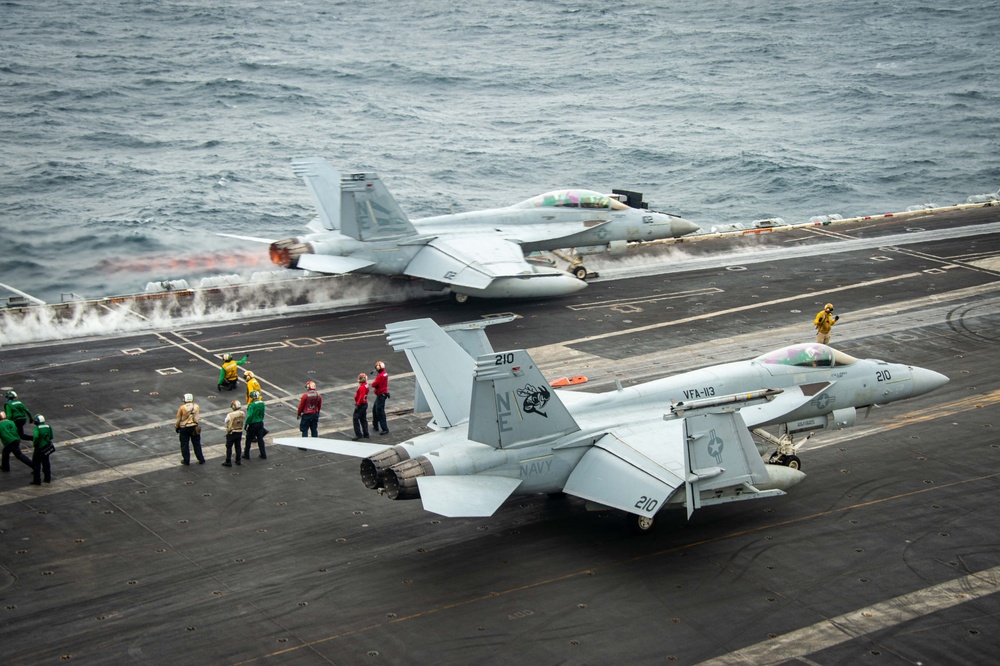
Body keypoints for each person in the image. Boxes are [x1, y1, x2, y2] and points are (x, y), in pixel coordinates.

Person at [175, 393, 205, 465]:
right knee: (197, 443)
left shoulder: (182, 407)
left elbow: (178, 419)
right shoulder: (196, 406)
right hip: (194, 426)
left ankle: (186, 460)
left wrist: (176, 427)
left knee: (184, 444)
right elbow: (196, 417)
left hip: (184, 427)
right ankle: (201, 459)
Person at [30, 414, 54, 485]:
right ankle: (47, 478)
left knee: (36, 464)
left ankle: (37, 480)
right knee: (46, 463)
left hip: (39, 448)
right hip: (46, 447)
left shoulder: (37, 428)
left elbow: (36, 437)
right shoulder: (48, 426)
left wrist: (35, 443)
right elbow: (51, 436)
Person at [243, 390, 267, 460]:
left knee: (249, 439)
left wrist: (246, 423)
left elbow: (249, 415)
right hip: (260, 423)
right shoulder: (262, 403)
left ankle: (246, 454)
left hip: (253, 424)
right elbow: (262, 413)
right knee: (260, 439)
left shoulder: (252, 405)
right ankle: (263, 454)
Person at [222, 400, 245, 467]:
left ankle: (228, 461)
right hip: (239, 431)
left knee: (229, 447)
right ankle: (238, 460)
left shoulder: (230, 414)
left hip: (231, 432)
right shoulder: (242, 413)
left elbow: (226, 421)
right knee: (238, 446)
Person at [371, 360, 390, 435]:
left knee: (380, 412)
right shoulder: (384, 374)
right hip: (383, 394)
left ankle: (384, 428)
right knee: (375, 410)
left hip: (381, 395)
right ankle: (375, 425)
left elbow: (373, 384)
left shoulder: (380, 376)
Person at [352, 373, 370, 441]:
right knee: (363, 419)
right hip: (364, 404)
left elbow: (361, 396)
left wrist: (358, 404)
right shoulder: (366, 385)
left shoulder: (362, 387)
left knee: (355, 418)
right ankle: (366, 433)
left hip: (361, 405)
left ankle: (358, 434)